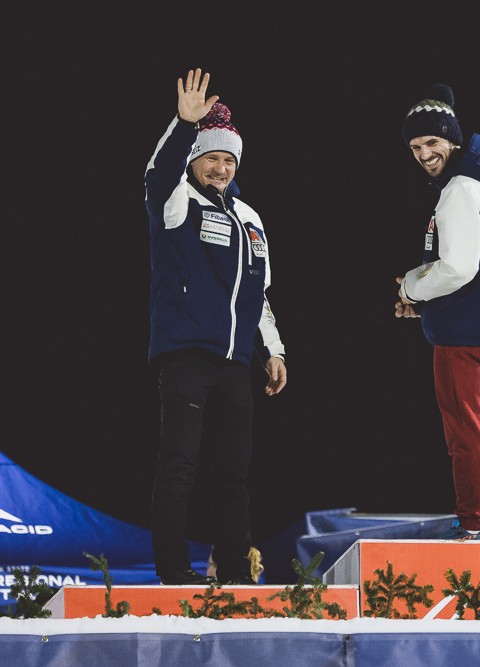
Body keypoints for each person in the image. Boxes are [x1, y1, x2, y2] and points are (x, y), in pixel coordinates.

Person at [145, 69, 287, 585]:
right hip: (186, 354)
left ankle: (235, 571)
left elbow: (259, 293)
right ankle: (172, 570)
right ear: (194, 160)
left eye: (229, 160)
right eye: (211, 158)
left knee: (234, 473)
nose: (221, 168)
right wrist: (184, 125)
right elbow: (157, 174)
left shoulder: (250, 217)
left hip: (234, 363)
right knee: (180, 464)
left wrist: (274, 351)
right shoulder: (177, 201)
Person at [394, 84, 480, 542]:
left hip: (464, 336)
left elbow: (457, 267)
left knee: (465, 433)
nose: (424, 154)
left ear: (452, 140)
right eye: (416, 146)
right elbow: (476, 268)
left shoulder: (459, 190)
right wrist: (426, 304)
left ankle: (471, 525)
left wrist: (412, 288)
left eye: (432, 142)